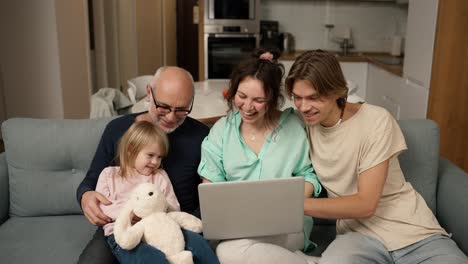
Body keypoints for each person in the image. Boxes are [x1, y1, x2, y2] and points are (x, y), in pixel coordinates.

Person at [285, 49, 468, 264]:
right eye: (297, 98)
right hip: (357, 238)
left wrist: (291, 204)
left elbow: (365, 204)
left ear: (335, 91)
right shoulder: (301, 123)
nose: (304, 107)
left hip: (413, 231)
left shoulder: (376, 121)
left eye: (313, 98)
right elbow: (259, 115)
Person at [76, 66, 218, 264]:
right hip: (122, 226)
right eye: (164, 107)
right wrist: (85, 195)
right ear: (149, 93)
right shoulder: (117, 130)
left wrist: (177, 222)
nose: (171, 117)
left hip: (174, 225)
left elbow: (210, 196)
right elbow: (90, 181)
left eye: (181, 109)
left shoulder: (202, 136)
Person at [197, 49, 322, 264]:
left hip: (286, 227)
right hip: (235, 230)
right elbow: (211, 189)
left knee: (229, 253)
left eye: (258, 100)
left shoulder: (294, 128)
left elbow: (309, 176)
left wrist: (287, 201)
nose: (247, 107)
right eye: (242, 96)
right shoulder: (220, 131)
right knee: (229, 248)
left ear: (273, 98)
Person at [96, 121, 185, 263]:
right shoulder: (109, 175)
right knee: (152, 259)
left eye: (160, 157)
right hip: (123, 234)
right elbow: (104, 208)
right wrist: (137, 212)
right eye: (150, 155)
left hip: (157, 232)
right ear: (131, 149)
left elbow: (174, 206)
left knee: (196, 245)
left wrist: (153, 212)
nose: (155, 162)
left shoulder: (159, 176)